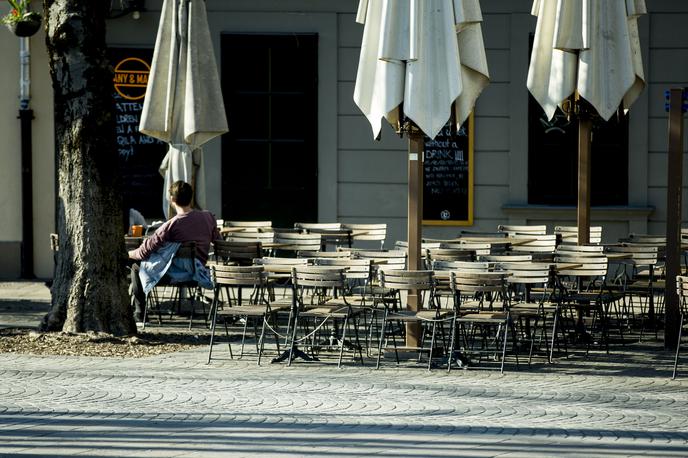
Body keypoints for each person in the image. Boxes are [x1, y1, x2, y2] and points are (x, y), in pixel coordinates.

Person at [128, 180, 221, 322]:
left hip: (175, 275)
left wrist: (128, 254)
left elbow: (143, 252)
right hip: (199, 272)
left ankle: (140, 313)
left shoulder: (171, 225)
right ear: (191, 197)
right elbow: (219, 243)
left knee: (135, 268)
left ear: (171, 199)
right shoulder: (208, 217)